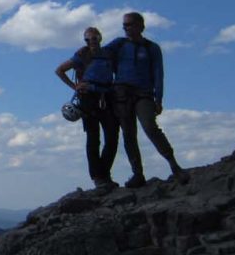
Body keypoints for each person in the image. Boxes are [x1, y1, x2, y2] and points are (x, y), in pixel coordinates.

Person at [105, 11, 188, 188]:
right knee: (128, 134)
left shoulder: (152, 48)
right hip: (121, 93)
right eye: (124, 25)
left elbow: (158, 73)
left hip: (144, 93)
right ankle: (138, 174)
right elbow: (98, 56)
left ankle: (174, 165)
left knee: (150, 127)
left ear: (140, 26)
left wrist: (159, 99)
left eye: (129, 24)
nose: (125, 28)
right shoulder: (118, 44)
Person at [56, 27, 119, 189]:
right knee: (93, 138)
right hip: (88, 98)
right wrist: (75, 87)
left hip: (106, 97)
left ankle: (103, 173)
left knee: (112, 136)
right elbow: (60, 70)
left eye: (94, 38)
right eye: (87, 39)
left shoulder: (108, 54)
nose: (91, 42)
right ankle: (99, 178)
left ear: (100, 38)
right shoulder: (82, 55)